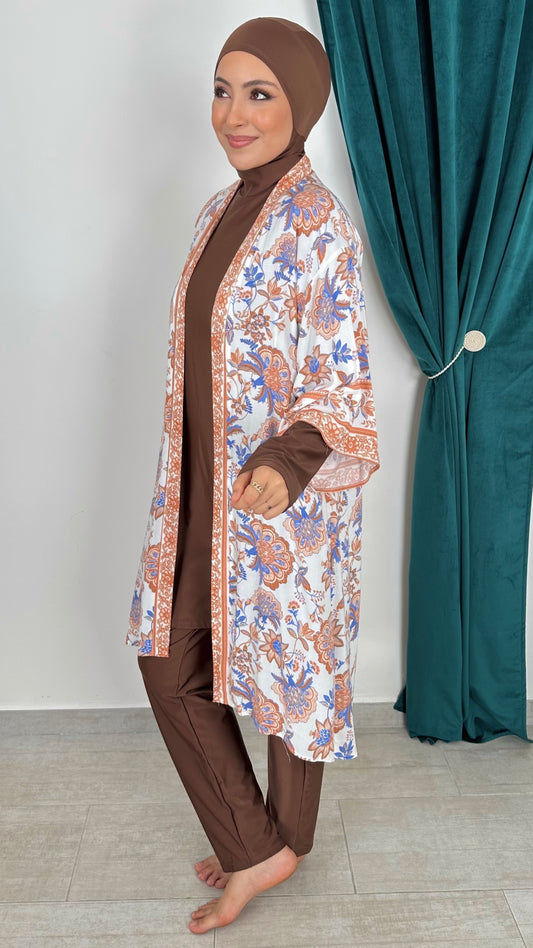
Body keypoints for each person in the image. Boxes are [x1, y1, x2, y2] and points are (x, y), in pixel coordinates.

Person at [127, 16, 379, 935]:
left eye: (259, 93)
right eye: (222, 91)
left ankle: (269, 844)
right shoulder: (215, 212)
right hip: (200, 490)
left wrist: (285, 460)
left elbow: (339, 375)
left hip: (280, 498)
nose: (234, 114)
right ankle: (258, 839)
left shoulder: (320, 225)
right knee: (171, 660)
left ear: (300, 103)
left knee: (289, 674)